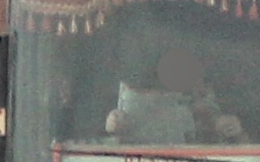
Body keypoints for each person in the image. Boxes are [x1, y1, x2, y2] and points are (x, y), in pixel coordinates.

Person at [105, 46, 247, 143]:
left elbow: (252, 157)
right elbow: (96, 153)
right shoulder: (125, 106)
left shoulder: (213, 111)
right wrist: (113, 129)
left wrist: (237, 135)